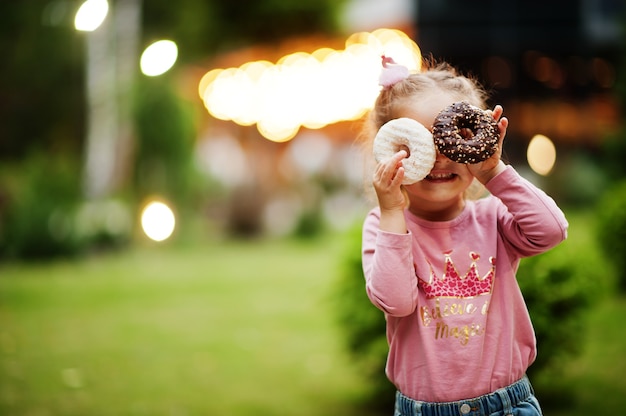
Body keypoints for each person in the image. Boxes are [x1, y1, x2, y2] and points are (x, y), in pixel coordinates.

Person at [361, 57, 569, 416]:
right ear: (388, 145)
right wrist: (393, 210)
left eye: (458, 140)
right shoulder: (384, 224)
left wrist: (494, 172)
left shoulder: (494, 218)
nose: (440, 158)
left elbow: (552, 231)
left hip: (508, 404)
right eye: (421, 143)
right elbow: (396, 302)